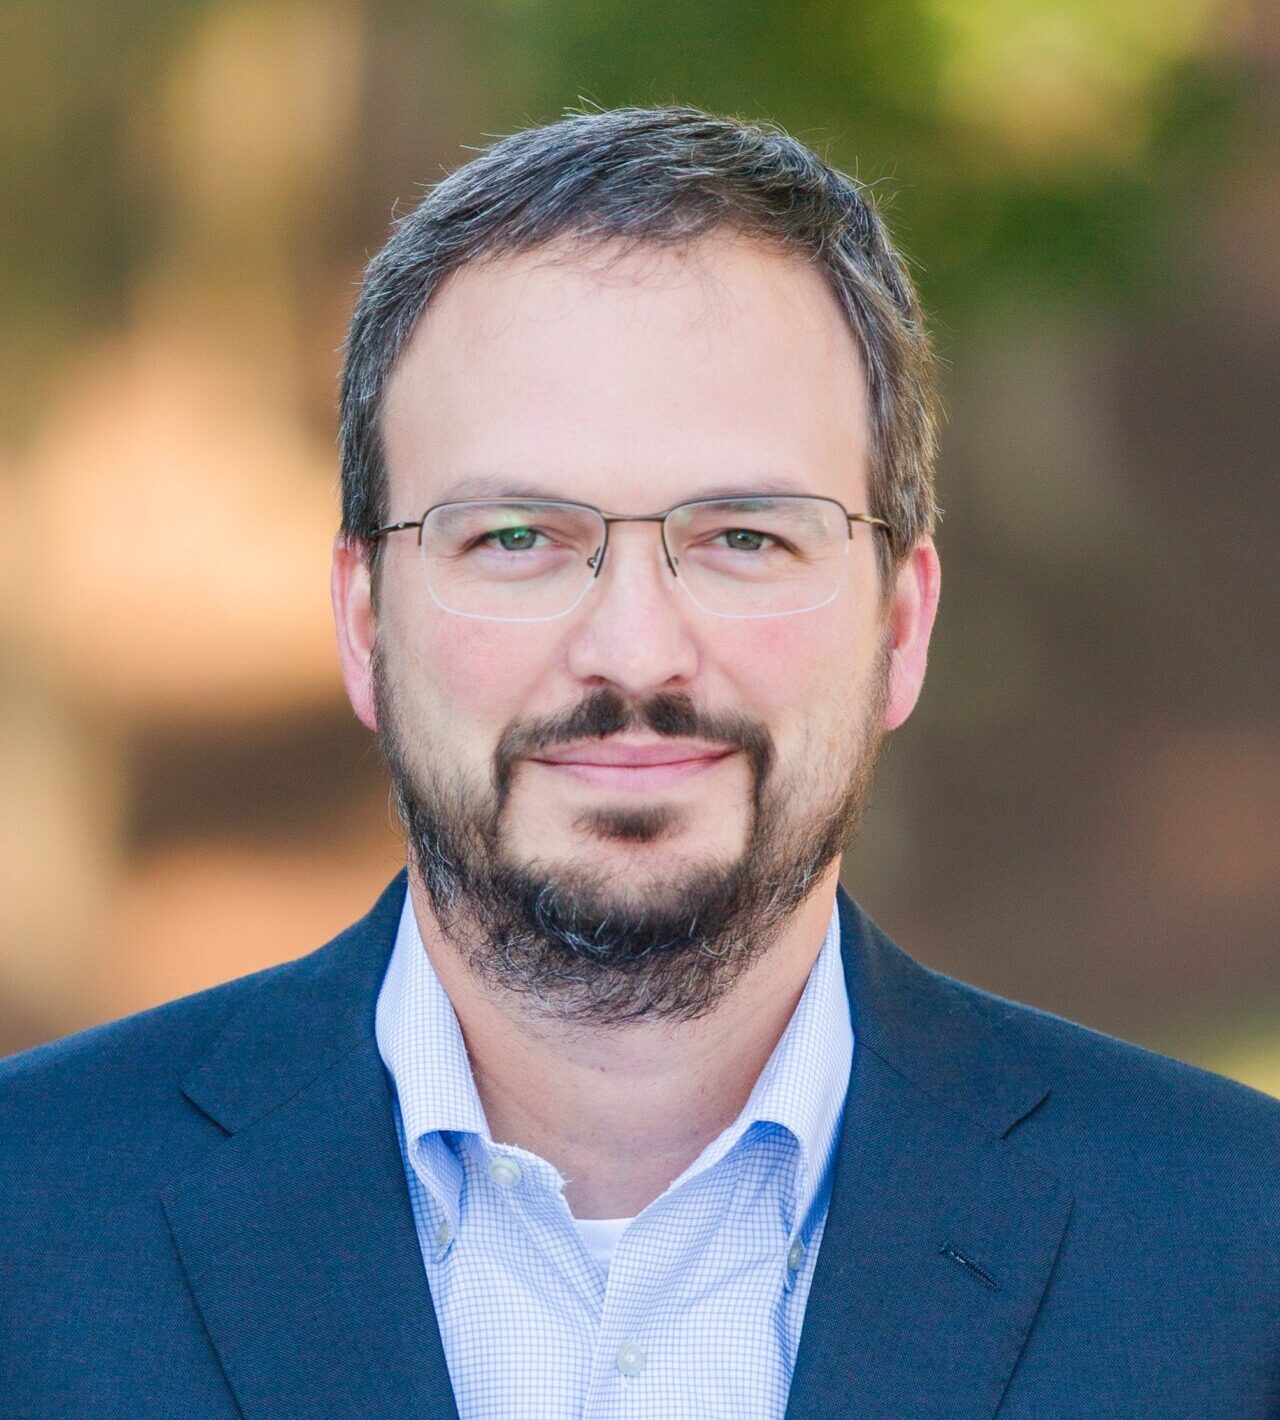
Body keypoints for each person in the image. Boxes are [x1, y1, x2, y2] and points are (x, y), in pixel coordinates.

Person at [1, 105, 1277, 1420]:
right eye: (514, 536)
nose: (633, 652)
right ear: (365, 621)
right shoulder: (24, 1230)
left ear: (900, 626)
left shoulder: (1239, 1265)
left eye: (742, 536)